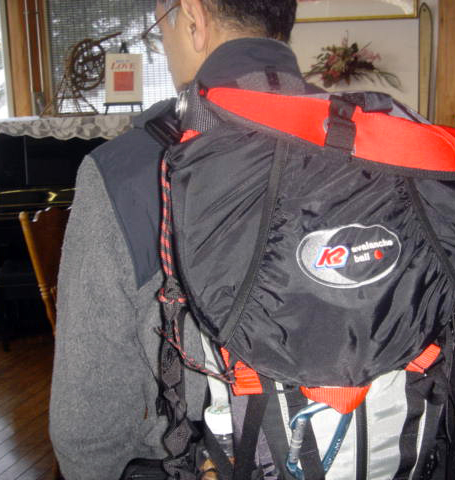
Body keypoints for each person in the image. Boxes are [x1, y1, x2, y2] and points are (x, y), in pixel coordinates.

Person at [49, 1, 307, 478]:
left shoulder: (125, 170)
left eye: (159, 25)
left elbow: (87, 420)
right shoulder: (374, 147)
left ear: (193, 17)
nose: (164, 44)